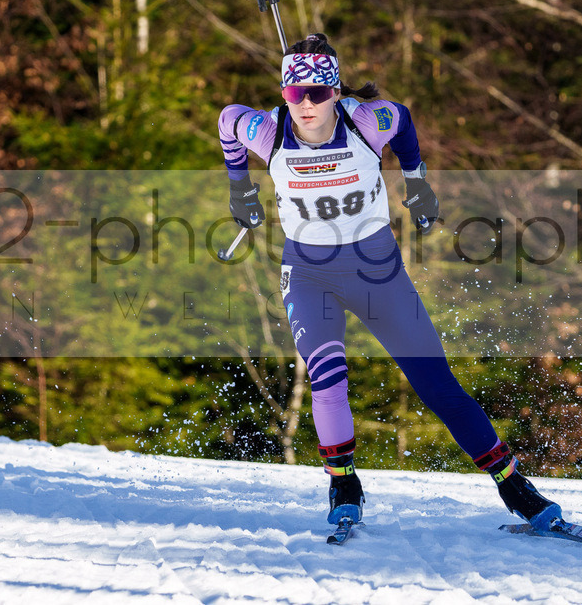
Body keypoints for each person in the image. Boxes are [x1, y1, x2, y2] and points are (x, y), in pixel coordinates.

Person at [217, 33, 561, 531]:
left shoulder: (365, 122)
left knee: (438, 386)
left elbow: (403, 119)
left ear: (336, 92)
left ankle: (513, 485)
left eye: (316, 93)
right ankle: (343, 483)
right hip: (310, 274)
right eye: (294, 95)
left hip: (376, 271)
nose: (304, 105)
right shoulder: (268, 131)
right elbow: (228, 118)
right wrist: (239, 187)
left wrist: (417, 182)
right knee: (327, 376)